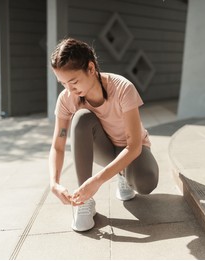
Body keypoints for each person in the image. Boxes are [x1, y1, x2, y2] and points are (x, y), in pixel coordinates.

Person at [48, 38, 159, 231]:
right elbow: (58, 145)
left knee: (146, 183)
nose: (69, 89)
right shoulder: (66, 99)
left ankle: (123, 175)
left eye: (73, 82)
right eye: (63, 83)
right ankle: (84, 202)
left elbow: (133, 147)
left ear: (91, 68)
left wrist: (97, 181)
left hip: (130, 150)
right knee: (81, 118)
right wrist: (54, 183)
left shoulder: (123, 88)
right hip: (104, 148)